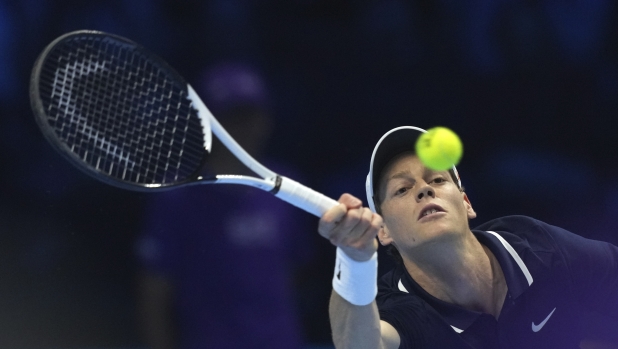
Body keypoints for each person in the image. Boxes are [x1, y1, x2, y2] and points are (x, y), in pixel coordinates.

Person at [318, 126, 618, 348]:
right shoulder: (401, 309)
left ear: (466, 203)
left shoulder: (534, 246)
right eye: (402, 189)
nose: (425, 189)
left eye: (436, 179)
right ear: (383, 231)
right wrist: (353, 259)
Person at [135, 62, 311, 349]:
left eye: (251, 115)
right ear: (208, 123)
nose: (243, 127)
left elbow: (295, 272)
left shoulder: (288, 185)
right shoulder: (177, 196)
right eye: (231, 117)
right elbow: (154, 291)